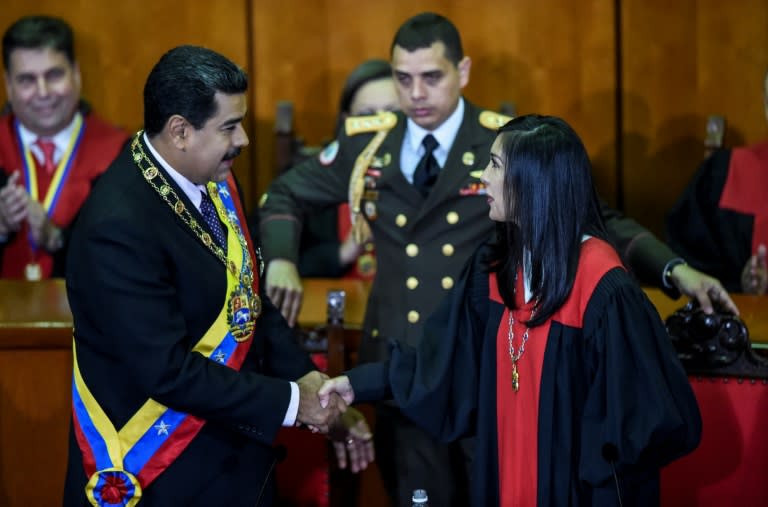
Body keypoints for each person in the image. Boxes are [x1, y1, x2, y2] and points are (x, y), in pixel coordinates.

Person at [258, 12, 728, 507]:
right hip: (422, 369)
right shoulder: (373, 145)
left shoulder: (513, 151)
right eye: (403, 78)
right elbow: (283, 195)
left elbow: (596, 220)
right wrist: (284, 261)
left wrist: (674, 269)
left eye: (431, 77)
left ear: (462, 72)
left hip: (492, 378)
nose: (416, 93)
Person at [319, 115, 702, 507]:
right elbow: (444, 365)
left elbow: (635, 432)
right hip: (501, 481)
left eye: (495, 166)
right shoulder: (497, 267)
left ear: (535, 183)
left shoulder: (604, 289)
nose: (481, 177)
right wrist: (359, 383)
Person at [62, 45, 373, 507]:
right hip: (164, 474)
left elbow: (249, 303)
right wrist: (291, 402)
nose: (244, 139)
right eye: (229, 126)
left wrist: (311, 383)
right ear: (180, 131)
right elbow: (164, 371)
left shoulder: (214, 179)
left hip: (237, 455)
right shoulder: (117, 226)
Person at [0, 15, 128, 279]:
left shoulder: (121, 156)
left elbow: (127, 256)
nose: (43, 92)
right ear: (8, 85)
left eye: (54, 75)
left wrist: (56, 238)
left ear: (76, 74)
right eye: (27, 80)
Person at [666, 68, 768, 295]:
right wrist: (739, 283)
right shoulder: (725, 171)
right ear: (764, 102)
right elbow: (686, 256)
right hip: (745, 318)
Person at [297, 58, 398, 280]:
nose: (379, 127)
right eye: (367, 116)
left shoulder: (432, 174)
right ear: (346, 121)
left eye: (392, 115)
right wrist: (343, 252)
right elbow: (271, 263)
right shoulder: (314, 177)